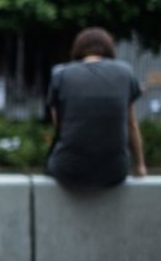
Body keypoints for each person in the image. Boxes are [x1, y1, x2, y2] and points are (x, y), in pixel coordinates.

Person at [45, 27, 147, 189]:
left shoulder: (61, 74)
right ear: (109, 49)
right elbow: (131, 125)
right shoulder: (125, 72)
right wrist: (140, 165)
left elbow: (59, 126)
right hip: (115, 172)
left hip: (68, 170)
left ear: (77, 49)